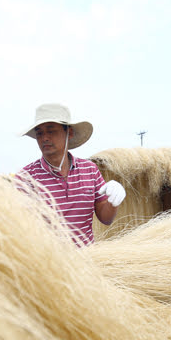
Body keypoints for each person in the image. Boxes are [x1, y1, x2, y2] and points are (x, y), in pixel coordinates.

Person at [18, 103, 126, 246]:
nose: (44, 138)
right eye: (40, 133)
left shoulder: (90, 170)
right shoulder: (26, 179)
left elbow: (106, 218)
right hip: (47, 264)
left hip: (87, 260)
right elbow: (21, 229)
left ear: (69, 133)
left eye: (51, 131)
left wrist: (113, 203)